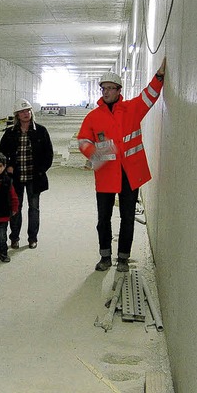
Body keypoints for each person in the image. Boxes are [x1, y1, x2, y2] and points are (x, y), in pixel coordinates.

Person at [77, 58, 166, 273]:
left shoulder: (131, 109)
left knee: (127, 217)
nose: (105, 92)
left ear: (118, 90)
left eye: (110, 88)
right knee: (103, 219)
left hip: (130, 173)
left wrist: (160, 76)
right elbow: (83, 140)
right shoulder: (93, 117)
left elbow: (150, 96)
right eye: (103, 88)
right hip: (107, 175)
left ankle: (123, 258)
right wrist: (93, 152)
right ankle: (105, 257)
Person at [0, 99, 54, 249]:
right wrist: (8, 167)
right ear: (17, 114)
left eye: (28, 110)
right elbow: (1, 154)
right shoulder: (10, 133)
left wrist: (41, 171)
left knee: (34, 208)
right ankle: (15, 237)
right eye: (22, 111)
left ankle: (32, 238)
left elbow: (48, 154)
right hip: (15, 178)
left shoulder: (41, 131)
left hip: (34, 178)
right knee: (15, 208)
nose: (26, 114)